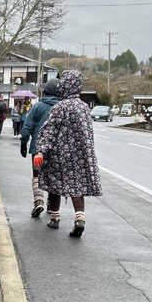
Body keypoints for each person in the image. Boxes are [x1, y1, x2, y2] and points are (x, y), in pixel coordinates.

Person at [34, 70, 102, 237]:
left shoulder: (60, 106)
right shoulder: (84, 107)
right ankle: (80, 218)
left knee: (55, 185)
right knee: (76, 187)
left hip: (60, 155)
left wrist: (41, 151)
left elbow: (49, 131)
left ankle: (55, 218)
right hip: (80, 156)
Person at [20, 79, 59, 217]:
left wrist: (23, 143)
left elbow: (27, 127)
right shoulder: (61, 107)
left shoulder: (37, 106)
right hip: (56, 149)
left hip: (38, 148)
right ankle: (51, 206)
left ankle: (38, 201)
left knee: (37, 175)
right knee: (54, 177)